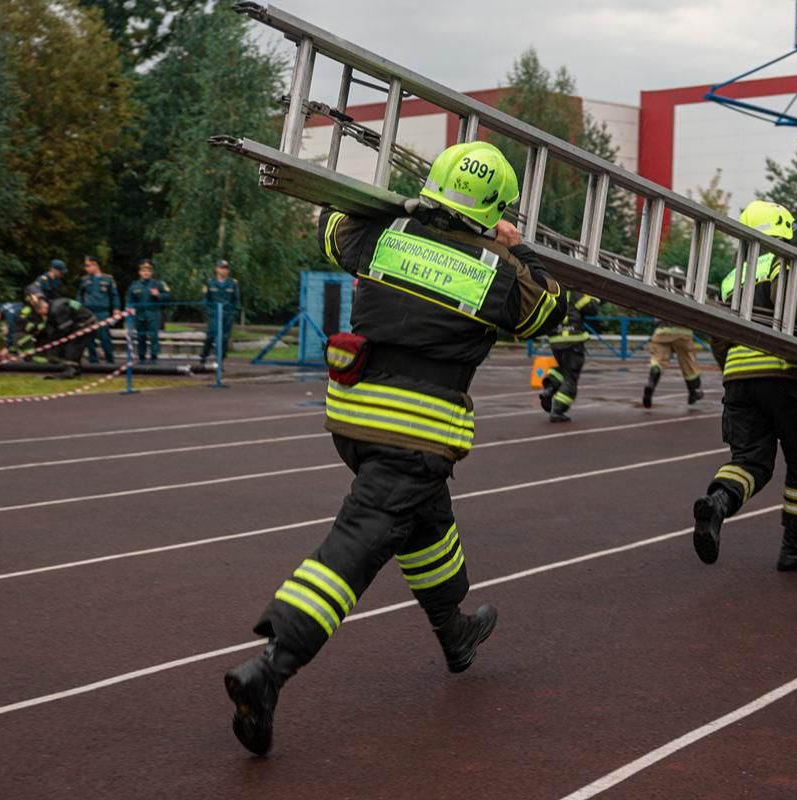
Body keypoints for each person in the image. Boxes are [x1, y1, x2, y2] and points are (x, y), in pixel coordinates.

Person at [222, 140, 565, 757]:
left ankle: (455, 631)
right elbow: (546, 312)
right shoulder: (493, 269)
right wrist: (519, 248)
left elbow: (331, 232)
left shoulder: (382, 234)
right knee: (355, 549)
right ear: (493, 208)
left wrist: (388, 205)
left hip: (352, 420)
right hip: (415, 432)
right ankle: (270, 668)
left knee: (426, 522)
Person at [690, 201, 797, 572]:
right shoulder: (783, 261)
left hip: (739, 380)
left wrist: (732, 370)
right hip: (784, 374)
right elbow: (789, 301)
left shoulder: (733, 276)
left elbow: (718, 334)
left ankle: (717, 504)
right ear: (783, 228)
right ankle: (793, 547)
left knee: (750, 461)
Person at [1, 293, 99, 379]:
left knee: (73, 346)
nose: (42, 316)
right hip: (79, 322)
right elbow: (53, 327)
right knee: (71, 344)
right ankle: (74, 369)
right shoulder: (53, 307)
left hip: (86, 323)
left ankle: (71, 371)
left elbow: (64, 328)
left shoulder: (57, 309)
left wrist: (54, 341)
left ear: (43, 308)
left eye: (40, 313)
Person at [537, 290, 599, 422]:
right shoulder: (575, 294)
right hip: (573, 342)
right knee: (571, 378)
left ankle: (549, 389)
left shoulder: (553, 292)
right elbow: (592, 308)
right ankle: (558, 410)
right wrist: (594, 295)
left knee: (563, 369)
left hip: (555, 343)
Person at [643, 320, 704, 408]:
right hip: (683, 332)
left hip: (662, 331)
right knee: (688, 363)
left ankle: (651, 382)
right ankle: (693, 392)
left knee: (658, 360)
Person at [126, 260, 171, 363]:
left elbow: (168, 296)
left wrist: (158, 295)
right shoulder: (134, 285)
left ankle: (154, 357)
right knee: (141, 336)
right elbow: (129, 300)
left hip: (153, 314)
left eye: (148, 270)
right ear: (139, 272)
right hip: (140, 315)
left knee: (154, 336)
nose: (146, 273)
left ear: (151, 272)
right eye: (143, 270)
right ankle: (141, 357)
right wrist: (130, 311)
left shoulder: (158, 284)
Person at [78, 256, 120, 364]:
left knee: (105, 337)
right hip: (88, 312)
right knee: (89, 339)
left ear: (95, 265)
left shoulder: (108, 279)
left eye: (88, 266)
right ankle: (93, 362)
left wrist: (116, 308)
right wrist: (79, 309)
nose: (86, 268)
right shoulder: (85, 280)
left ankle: (110, 361)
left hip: (102, 312)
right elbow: (79, 295)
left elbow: (114, 295)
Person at [199, 259, 240, 366]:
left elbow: (236, 300)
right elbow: (205, 300)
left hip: (227, 314)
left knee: (224, 339)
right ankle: (204, 355)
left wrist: (232, 313)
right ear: (216, 269)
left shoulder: (232, 283)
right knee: (210, 336)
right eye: (222, 268)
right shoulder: (210, 282)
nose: (224, 271)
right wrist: (209, 312)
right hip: (214, 314)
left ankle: (220, 361)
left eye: (226, 268)